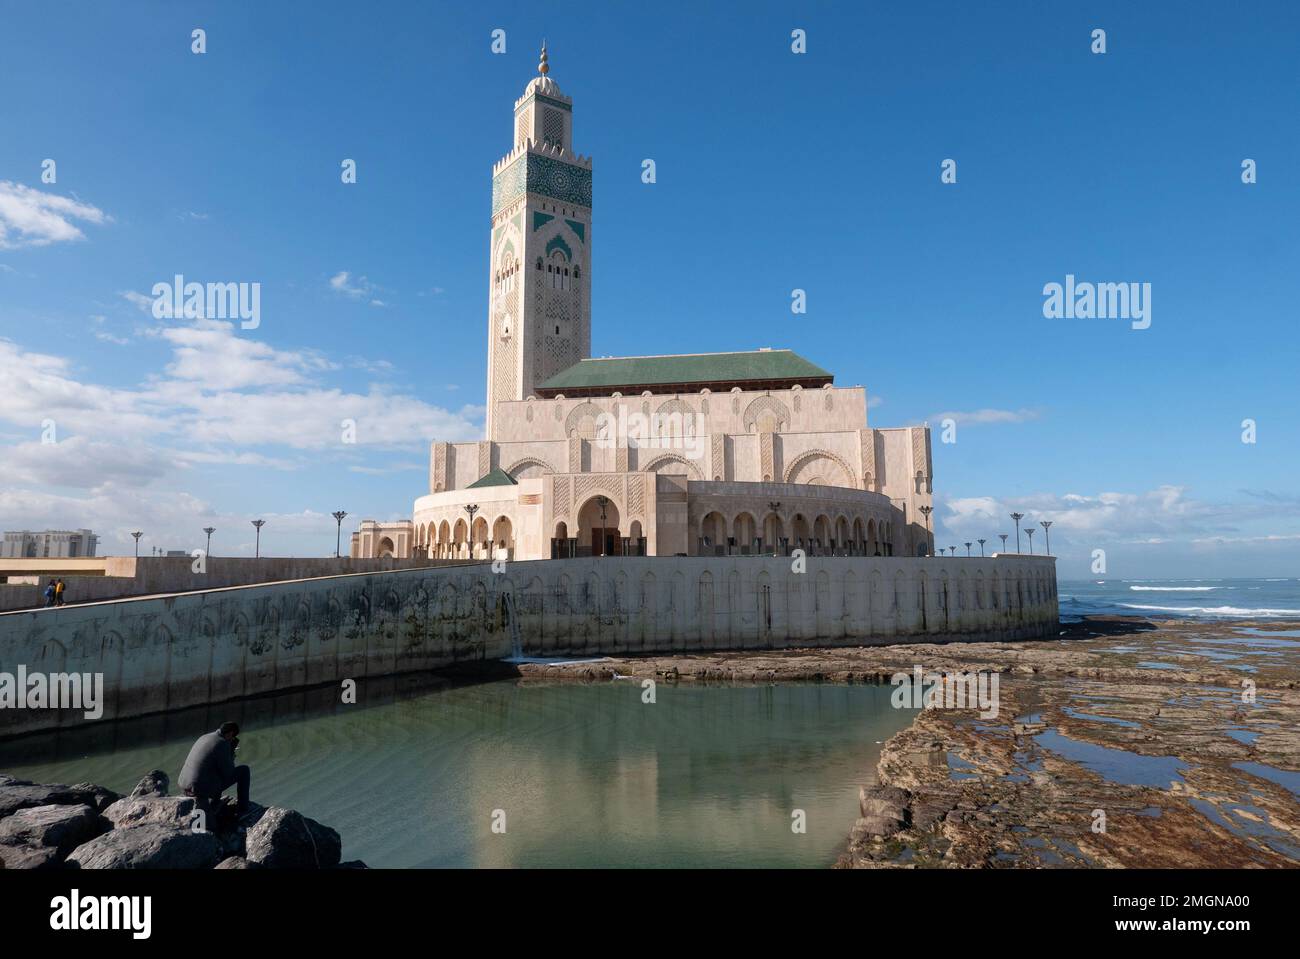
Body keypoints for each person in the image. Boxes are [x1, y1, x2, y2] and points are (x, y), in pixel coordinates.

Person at [178, 722, 251, 818]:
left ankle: (215, 803)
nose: (232, 739)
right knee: (244, 771)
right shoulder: (222, 744)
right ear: (230, 733)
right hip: (198, 788)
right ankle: (243, 809)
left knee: (213, 770)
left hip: (183, 783)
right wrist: (231, 755)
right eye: (233, 737)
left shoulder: (204, 737)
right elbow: (228, 773)